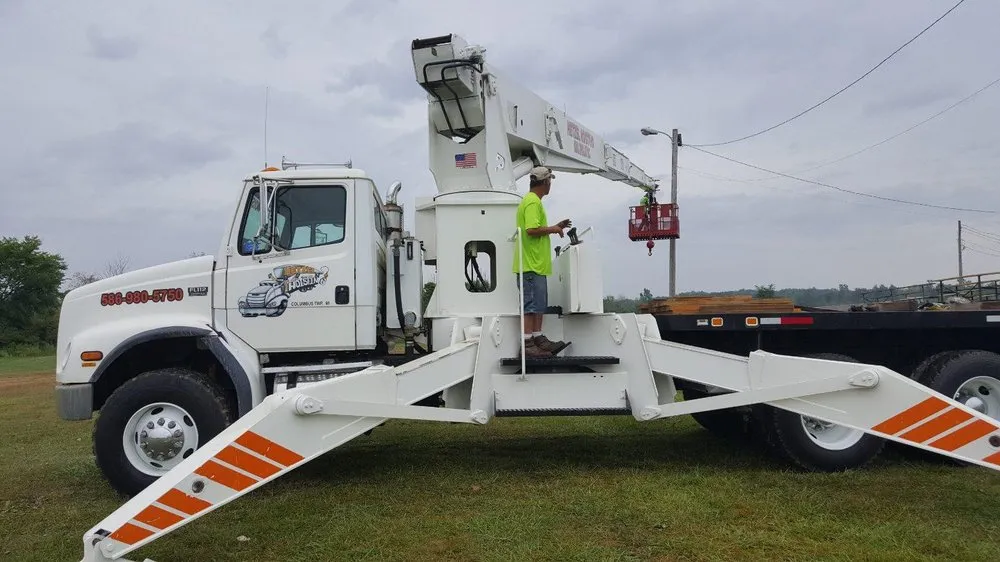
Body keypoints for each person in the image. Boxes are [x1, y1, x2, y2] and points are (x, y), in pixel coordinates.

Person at [513, 166, 572, 358]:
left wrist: (555, 226)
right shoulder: (532, 202)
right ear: (545, 182)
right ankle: (528, 344)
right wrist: (554, 229)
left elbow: (534, 228)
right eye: (550, 181)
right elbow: (531, 229)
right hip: (530, 264)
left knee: (537, 305)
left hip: (535, 265)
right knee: (531, 306)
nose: (550, 185)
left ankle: (538, 338)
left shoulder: (532, 201)